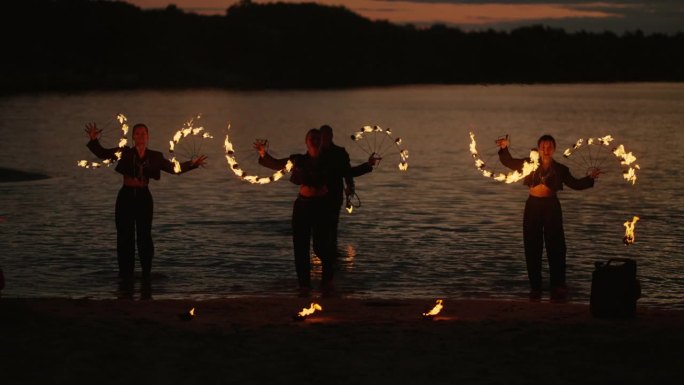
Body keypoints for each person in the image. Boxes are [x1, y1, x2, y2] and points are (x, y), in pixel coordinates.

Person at [85, 122, 207, 283]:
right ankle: (125, 275)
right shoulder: (124, 152)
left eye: (144, 133)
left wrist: (192, 164)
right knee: (124, 237)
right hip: (126, 197)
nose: (141, 136)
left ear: (148, 137)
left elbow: (173, 169)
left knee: (144, 236)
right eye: (138, 133)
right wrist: (94, 140)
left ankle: (146, 274)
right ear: (133, 137)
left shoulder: (155, 156)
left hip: (144, 197)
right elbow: (103, 153)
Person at [497, 134, 599, 302]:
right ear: (538, 148)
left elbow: (575, 184)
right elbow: (508, 162)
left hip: (552, 207)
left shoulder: (560, 169)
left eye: (549, 147)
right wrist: (503, 147)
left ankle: (557, 285)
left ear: (554, 149)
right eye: (543, 147)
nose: (546, 150)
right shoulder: (528, 164)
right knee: (532, 246)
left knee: (556, 246)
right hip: (532, 207)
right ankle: (535, 287)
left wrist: (590, 178)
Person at [253, 129, 333, 294]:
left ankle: (327, 281)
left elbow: (347, 172)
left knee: (321, 246)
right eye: (312, 138)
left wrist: (368, 166)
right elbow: (275, 164)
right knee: (301, 246)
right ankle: (304, 284)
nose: (315, 140)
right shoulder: (297, 160)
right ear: (306, 142)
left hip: (322, 206)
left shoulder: (328, 161)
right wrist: (263, 153)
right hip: (302, 206)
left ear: (322, 141)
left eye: (318, 138)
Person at [319, 124, 377, 255]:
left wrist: (350, 186)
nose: (325, 138)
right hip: (318, 197)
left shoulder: (339, 153)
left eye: (327, 135)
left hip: (334, 196)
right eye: (323, 136)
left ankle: (330, 255)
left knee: (332, 228)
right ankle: (327, 255)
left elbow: (347, 172)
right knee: (322, 228)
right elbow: (348, 172)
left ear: (331, 136)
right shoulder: (316, 153)